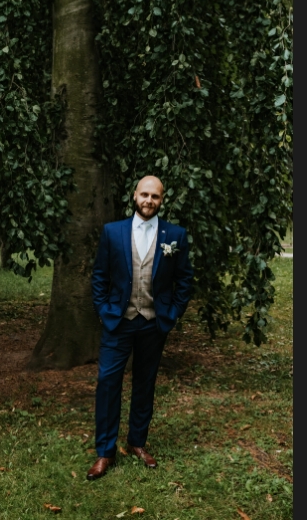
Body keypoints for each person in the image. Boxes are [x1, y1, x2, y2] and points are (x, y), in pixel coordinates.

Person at [86, 175, 194, 480]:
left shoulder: (175, 235)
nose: (149, 201)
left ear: (161, 200)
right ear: (135, 196)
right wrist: (104, 310)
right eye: (144, 195)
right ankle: (105, 452)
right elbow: (100, 277)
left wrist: (171, 314)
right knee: (108, 382)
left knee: (145, 383)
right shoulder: (113, 232)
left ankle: (137, 442)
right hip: (118, 322)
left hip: (152, 323)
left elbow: (184, 280)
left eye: (155, 197)